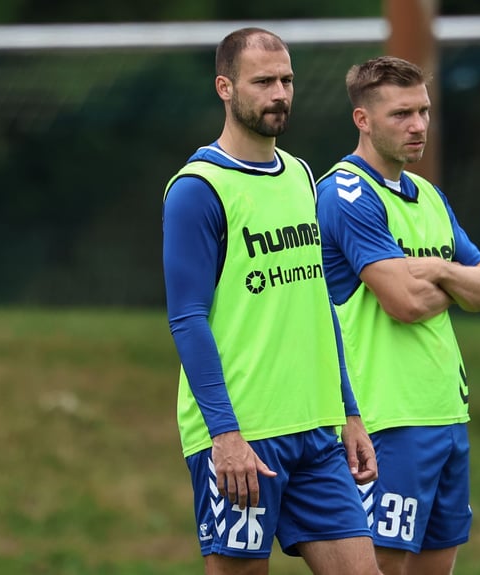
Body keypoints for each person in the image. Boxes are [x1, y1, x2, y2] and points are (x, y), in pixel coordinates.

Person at [161, 28, 383, 575]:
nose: (279, 92)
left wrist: (349, 411)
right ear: (225, 88)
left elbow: (317, 305)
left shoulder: (303, 176)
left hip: (315, 430)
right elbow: (187, 319)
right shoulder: (199, 188)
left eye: (286, 80)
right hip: (244, 436)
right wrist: (225, 435)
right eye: (263, 81)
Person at [315, 56, 480, 575]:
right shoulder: (347, 193)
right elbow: (404, 304)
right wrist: (452, 281)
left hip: (447, 413)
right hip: (387, 420)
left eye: (423, 111)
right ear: (363, 120)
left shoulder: (431, 198)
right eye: (401, 114)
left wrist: (433, 268)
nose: (418, 125)